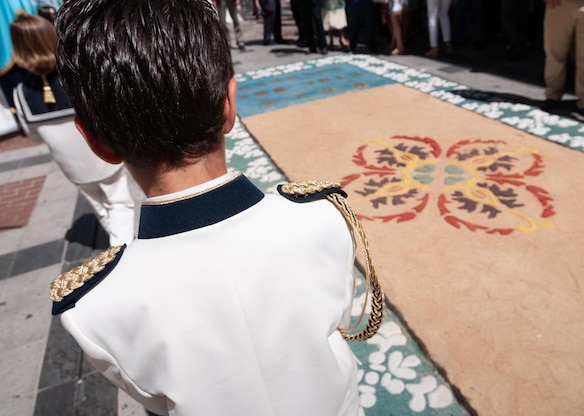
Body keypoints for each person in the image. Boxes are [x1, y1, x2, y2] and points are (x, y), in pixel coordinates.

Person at [50, 0, 361, 415]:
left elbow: (155, 402)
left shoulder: (94, 308)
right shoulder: (322, 217)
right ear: (229, 106)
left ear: (95, 143)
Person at [10, 12, 137, 246]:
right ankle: (122, 251)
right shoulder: (79, 75)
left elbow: (34, 135)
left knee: (100, 206)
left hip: (71, 166)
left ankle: (116, 244)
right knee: (118, 203)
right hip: (101, 155)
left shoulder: (20, 93)